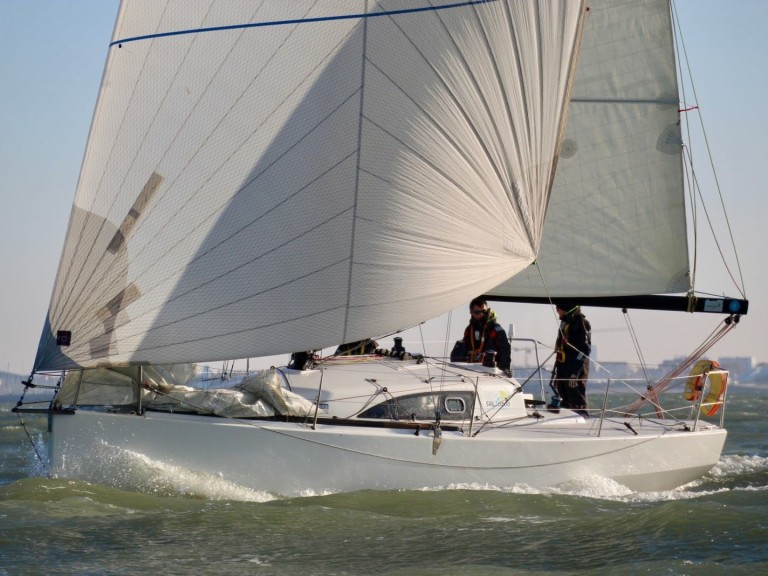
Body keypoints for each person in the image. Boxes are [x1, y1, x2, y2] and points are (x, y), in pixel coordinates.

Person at [450, 297, 511, 371]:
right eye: (477, 312)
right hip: (472, 368)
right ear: (471, 313)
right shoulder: (469, 329)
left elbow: (504, 349)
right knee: (459, 346)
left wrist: (503, 369)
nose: (481, 314)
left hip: (490, 369)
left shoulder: (495, 328)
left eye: (484, 311)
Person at [552, 301, 591, 415]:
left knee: (576, 399)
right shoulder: (565, 322)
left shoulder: (582, 323)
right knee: (564, 397)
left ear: (566, 308)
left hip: (575, 368)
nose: (557, 310)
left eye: (558, 308)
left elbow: (584, 350)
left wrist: (575, 373)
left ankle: (583, 418)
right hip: (563, 367)